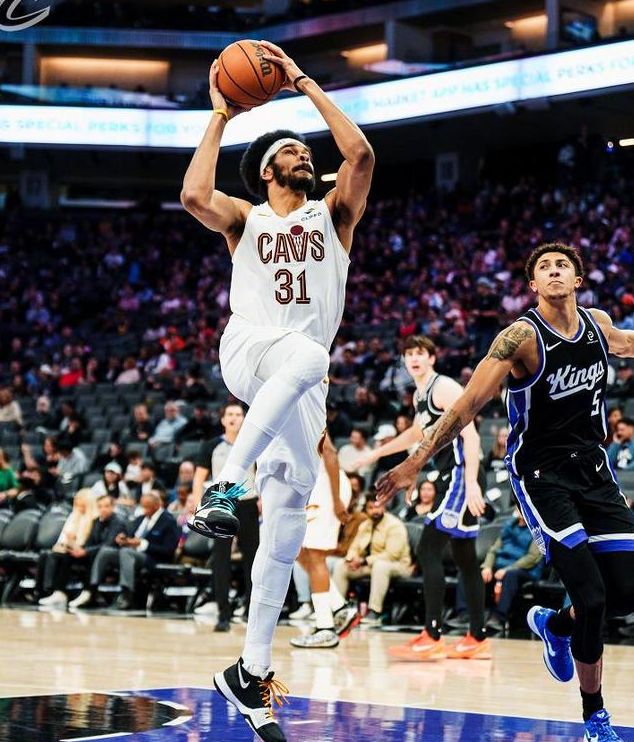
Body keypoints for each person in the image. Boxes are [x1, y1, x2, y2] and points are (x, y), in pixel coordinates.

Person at [181, 39, 373, 741]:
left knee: (289, 516)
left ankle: (249, 670)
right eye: (291, 149)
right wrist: (220, 115)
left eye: (303, 148)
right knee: (307, 352)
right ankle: (226, 486)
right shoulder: (246, 217)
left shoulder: (334, 215)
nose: (303, 154)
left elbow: (360, 155)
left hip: (301, 384)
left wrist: (303, 84)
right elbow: (192, 196)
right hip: (251, 351)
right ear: (267, 170)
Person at [377, 243, 634, 741]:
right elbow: (468, 403)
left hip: (594, 471)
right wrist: (414, 462)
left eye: (563, 265)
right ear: (532, 285)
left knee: (624, 594)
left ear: (578, 279)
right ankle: (595, 717)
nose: (554, 271)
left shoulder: (598, 325)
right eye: (544, 267)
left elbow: (626, 342)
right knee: (592, 597)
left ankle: (556, 626)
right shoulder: (520, 336)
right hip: (541, 475)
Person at [359, 335, 490, 661]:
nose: (414, 359)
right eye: (409, 354)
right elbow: (417, 434)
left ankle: (432, 635)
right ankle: (477, 637)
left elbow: (472, 435)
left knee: (428, 547)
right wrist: (376, 453)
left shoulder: (443, 387)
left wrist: (471, 483)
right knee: (464, 557)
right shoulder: (421, 394)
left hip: (461, 474)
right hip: (450, 475)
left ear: (432, 358)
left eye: (420, 353)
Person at [192, 403, 258, 632]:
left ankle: (252, 611)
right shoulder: (211, 445)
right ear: (222, 420)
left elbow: (262, 473)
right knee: (221, 560)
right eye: (230, 414)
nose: (234, 418)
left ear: (244, 419)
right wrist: (199, 505)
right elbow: (199, 478)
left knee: (252, 559)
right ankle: (223, 614)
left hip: (248, 503)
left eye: (238, 414)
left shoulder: (254, 442)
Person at [290, 434, 359, 648]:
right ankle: (339, 607)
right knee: (298, 551)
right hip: (316, 486)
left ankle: (325, 628)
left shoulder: (307, 412)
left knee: (315, 554)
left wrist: (337, 500)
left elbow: (329, 452)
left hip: (328, 485)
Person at [88, 491, 179, 610]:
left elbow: (169, 550)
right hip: (131, 554)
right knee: (106, 552)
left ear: (157, 506)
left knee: (126, 552)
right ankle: (92, 590)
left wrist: (143, 544)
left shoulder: (168, 521)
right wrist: (123, 539)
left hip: (152, 558)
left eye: (147, 507)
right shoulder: (140, 519)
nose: (144, 510)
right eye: (142, 507)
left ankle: (126, 594)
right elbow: (129, 535)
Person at [331, 492, 411, 626]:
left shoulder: (394, 525)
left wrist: (364, 561)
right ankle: (337, 610)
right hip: (371, 565)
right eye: (371, 508)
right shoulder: (365, 525)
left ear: (384, 507)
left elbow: (392, 555)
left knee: (380, 566)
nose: (375, 511)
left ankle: (374, 612)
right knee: (341, 565)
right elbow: (354, 548)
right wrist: (351, 559)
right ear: (366, 509)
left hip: (398, 566)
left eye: (378, 507)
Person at [481, 508, 544, 633]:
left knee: (510, 575)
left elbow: (532, 558)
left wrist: (507, 569)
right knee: (475, 573)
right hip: (502, 566)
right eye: (517, 507)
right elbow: (493, 550)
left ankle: (499, 618)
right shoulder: (508, 526)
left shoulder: (537, 530)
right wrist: (487, 567)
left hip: (526, 570)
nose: (519, 510)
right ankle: (466, 615)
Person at [38, 489, 99, 609]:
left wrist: (71, 543)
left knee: (65, 556)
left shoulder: (94, 519)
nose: (79, 507)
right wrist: (61, 544)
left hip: (84, 551)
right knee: (45, 554)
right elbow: (64, 536)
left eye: (82, 505)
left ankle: (59, 591)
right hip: (69, 547)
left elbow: (86, 542)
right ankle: (41, 592)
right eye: (77, 504)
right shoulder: (73, 515)